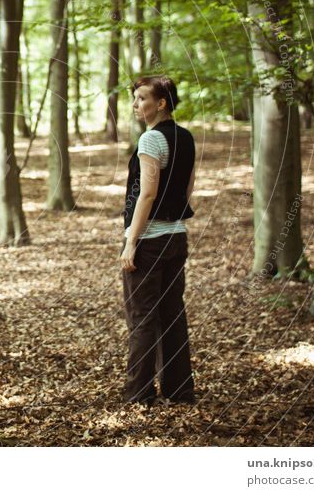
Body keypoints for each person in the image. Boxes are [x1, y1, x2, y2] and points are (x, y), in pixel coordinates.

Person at [120, 75, 196, 407]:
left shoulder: (151, 140)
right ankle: (180, 391)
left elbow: (147, 193)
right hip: (176, 236)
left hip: (150, 242)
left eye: (141, 98)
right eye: (135, 98)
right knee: (172, 314)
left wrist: (131, 241)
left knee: (143, 318)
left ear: (160, 103)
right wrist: (175, 216)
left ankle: (139, 394)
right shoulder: (186, 137)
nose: (136, 104)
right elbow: (189, 185)